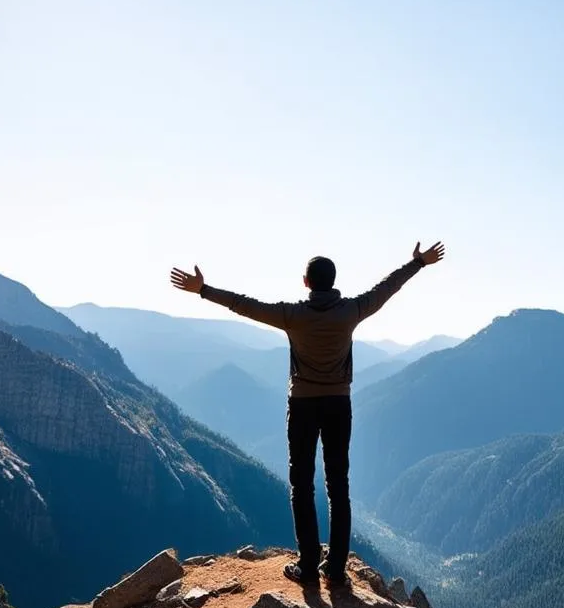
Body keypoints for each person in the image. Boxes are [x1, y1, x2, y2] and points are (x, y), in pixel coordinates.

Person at [170, 241, 444, 590]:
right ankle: (336, 569)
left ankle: (309, 566)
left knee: (301, 484)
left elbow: (245, 306)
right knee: (338, 486)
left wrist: (204, 290)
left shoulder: (292, 316)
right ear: (333, 281)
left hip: (301, 405)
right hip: (338, 405)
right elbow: (387, 288)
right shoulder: (351, 311)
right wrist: (416, 263)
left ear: (306, 282)